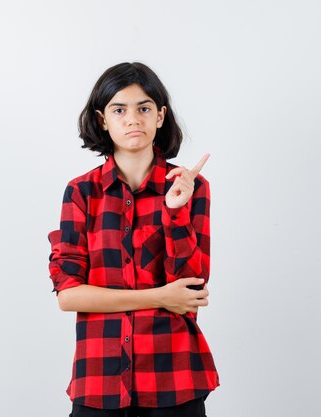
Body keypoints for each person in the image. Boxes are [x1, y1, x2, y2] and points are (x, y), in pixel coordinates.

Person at [47, 62, 219, 417]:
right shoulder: (81, 192)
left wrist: (175, 211)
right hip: (100, 380)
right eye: (119, 109)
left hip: (175, 379)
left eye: (143, 108)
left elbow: (189, 292)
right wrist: (159, 297)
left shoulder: (192, 188)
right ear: (102, 120)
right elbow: (69, 296)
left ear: (160, 116)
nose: (132, 119)